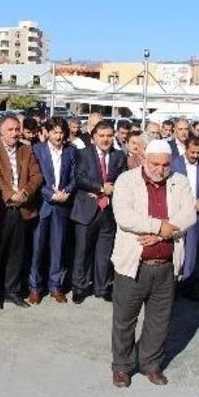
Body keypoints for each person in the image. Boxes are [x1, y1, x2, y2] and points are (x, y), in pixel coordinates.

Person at [109, 140, 196, 388]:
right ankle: (122, 366)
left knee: (159, 319)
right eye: (155, 163)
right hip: (133, 266)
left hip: (166, 264)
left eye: (165, 164)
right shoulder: (126, 180)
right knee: (125, 319)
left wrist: (160, 235)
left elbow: (188, 215)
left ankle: (151, 363)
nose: (160, 169)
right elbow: (125, 217)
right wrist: (159, 225)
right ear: (144, 160)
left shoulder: (179, 181)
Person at [0, 116, 43, 307]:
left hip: (22, 208)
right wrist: (10, 194)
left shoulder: (26, 149)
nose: (14, 133)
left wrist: (25, 192)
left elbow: (36, 175)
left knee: (17, 253)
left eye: (17, 129)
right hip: (1, 208)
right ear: (1, 131)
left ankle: (13, 290)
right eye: (10, 130)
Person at [71, 121, 127, 303]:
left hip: (108, 212)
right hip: (87, 209)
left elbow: (123, 179)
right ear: (93, 137)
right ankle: (79, 287)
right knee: (83, 251)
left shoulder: (119, 156)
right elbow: (79, 177)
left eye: (109, 136)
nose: (106, 139)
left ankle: (101, 287)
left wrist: (114, 188)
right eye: (102, 136)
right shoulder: (83, 154)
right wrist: (101, 188)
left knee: (104, 252)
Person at [29, 117, 76, 304]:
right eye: (55, 132)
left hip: (62, 205)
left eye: (62, 132)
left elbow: (75, 175)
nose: (59, 135)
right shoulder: (37, 150)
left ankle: (55, 286)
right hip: (43, 205)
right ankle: (35, 287)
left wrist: (68, 191)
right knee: (37, 248)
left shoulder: (70, 151)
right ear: (47, 132)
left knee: (58, 247)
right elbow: (35, 177)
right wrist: (50, 194)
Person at [171, 136, 199, 296]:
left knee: (192, 251)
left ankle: (188, 285)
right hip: (178, 214)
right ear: (185, 149)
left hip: (197, 213)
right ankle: (172, 285)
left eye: (198, 153)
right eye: (192, 152)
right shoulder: (175, 163)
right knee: (176, 250)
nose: (195, 156)